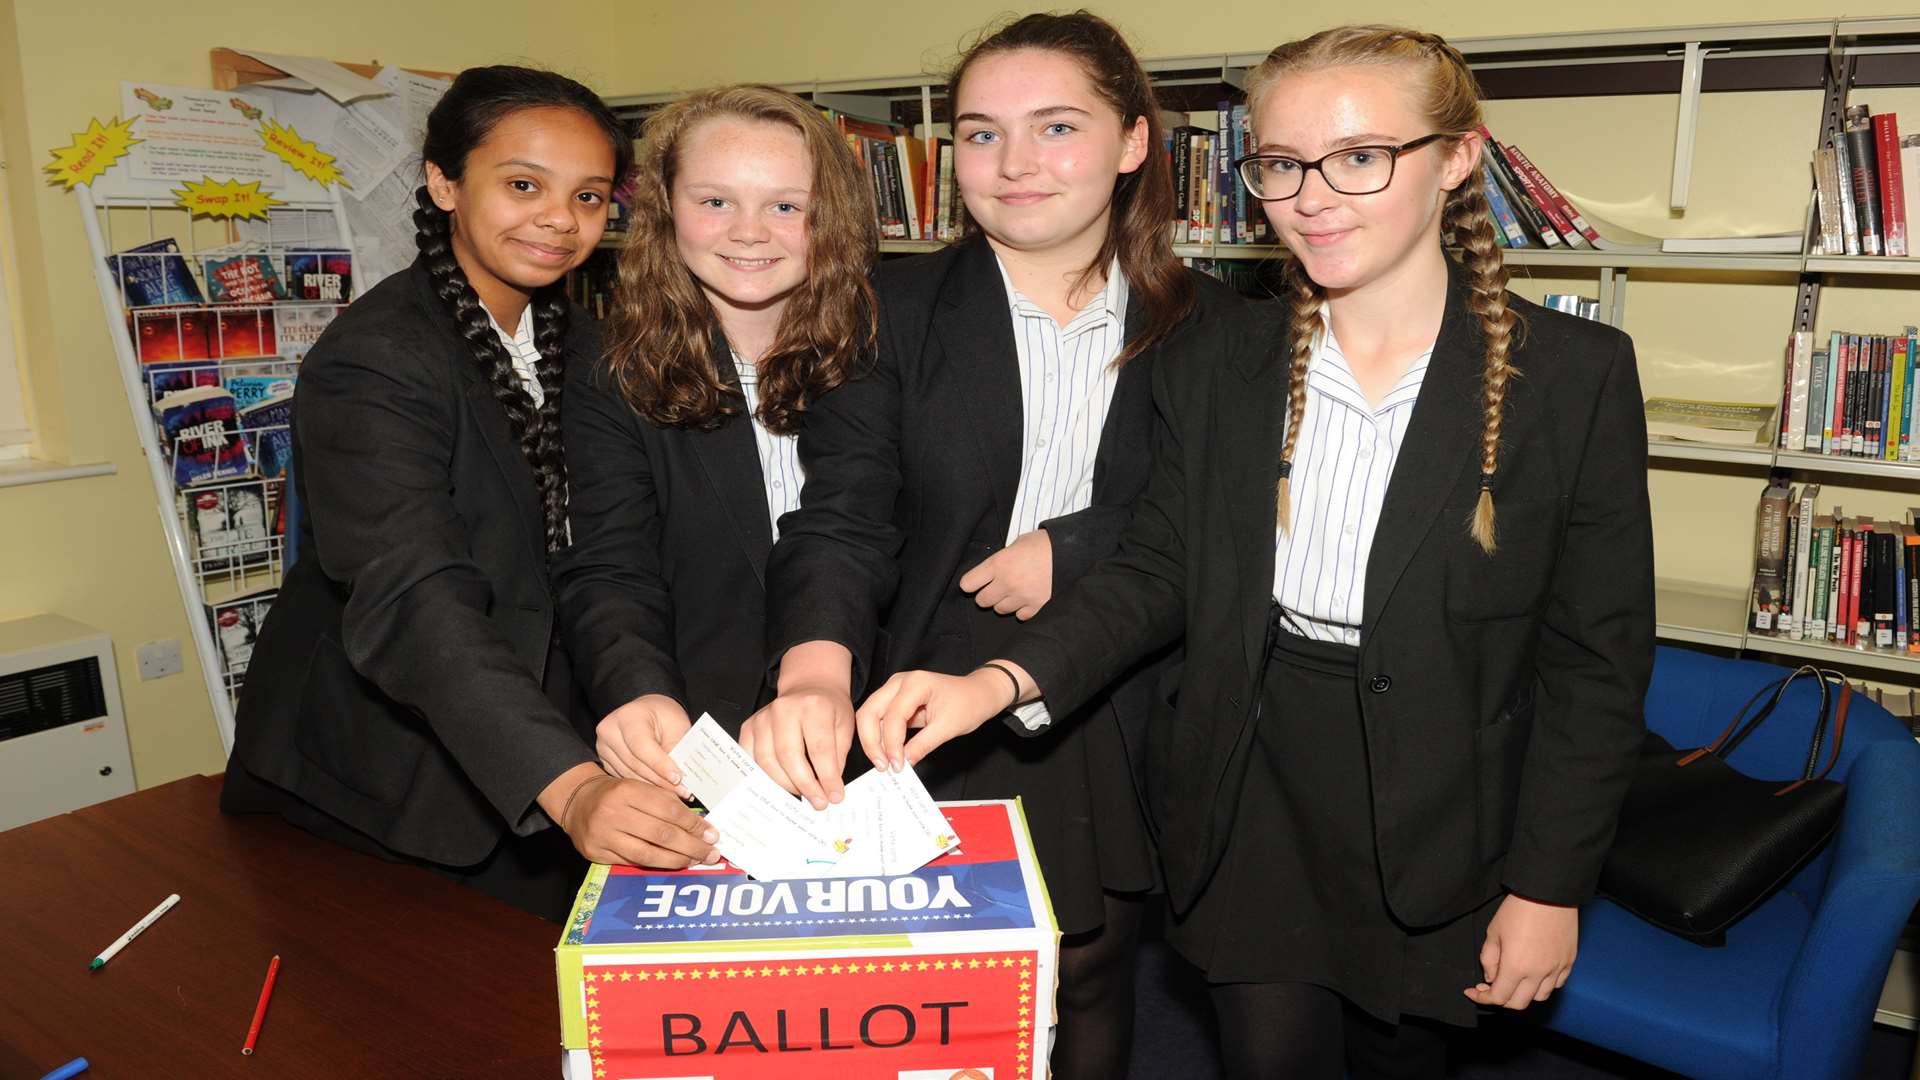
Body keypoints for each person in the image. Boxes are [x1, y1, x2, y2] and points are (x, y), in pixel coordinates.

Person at [855, 24, 1654, 1079]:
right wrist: (998, 685)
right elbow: (1157, 567)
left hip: (1440, 794)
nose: (1311, 197)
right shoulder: (1224, 357)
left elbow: (1595, 662)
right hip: (1251, 780)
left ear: (1458, 160)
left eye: (1361, 157)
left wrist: (1549, 884)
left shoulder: (1574, 377)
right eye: (1280, 163)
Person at [753, 12, 1245, 1076]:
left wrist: (1073, 544)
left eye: (1056, 126)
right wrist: (813, 665)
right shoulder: (887, 307)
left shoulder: (1220, 326)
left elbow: (1211, 517)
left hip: (1123, 681)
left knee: (1094, 969)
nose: (1014, 163)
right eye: (980, 134)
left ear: (1131, 142)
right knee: (927, 988)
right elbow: (842, 509)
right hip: (923, 679)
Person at [223, 65, 717, 923]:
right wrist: (567, 789)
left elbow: (608, 550)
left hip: (537, 733)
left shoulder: (582, 337)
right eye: (523, 185)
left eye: (591, 197)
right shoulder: (375, 359)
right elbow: (415, 598)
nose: (561, 220)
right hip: (386, 781)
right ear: (445, 183)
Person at [553, 84, 877, 794]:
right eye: (715, 201)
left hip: (880, 742)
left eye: (786, 206)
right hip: (701, 749)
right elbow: (610, 566)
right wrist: (636, 688)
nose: (749, 232)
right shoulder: (613, 375)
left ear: (832, 220)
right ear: (665, 211)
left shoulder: (886, 354)